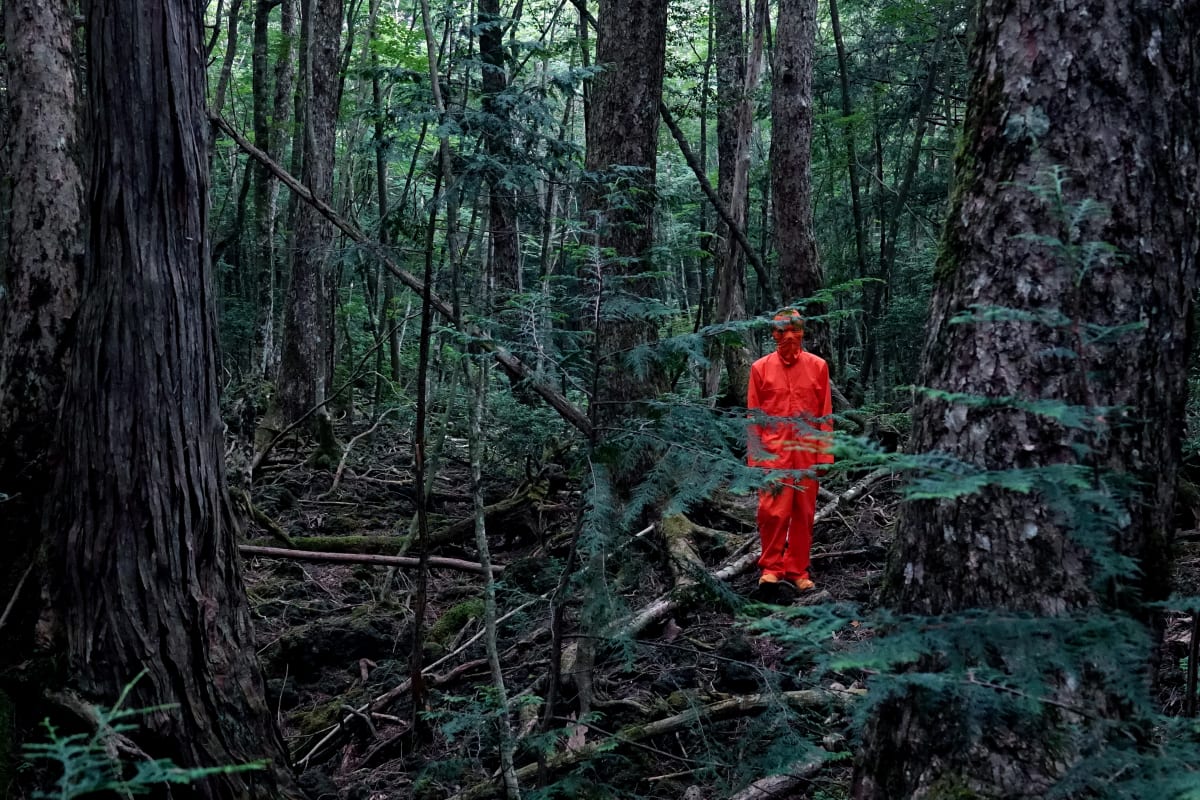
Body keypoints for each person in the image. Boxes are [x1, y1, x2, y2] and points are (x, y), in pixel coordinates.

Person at [747, 310, 833, 593]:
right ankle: (771, 567)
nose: (789, 337)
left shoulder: (818, 366)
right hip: (774, 454)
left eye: (795, 331)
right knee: (771, 512)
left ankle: (797, 569)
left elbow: (825, 412)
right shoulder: (760, 368)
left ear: (803, 332)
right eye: (782, 331)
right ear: (773, 334)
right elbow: (754, 415)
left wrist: (824, 455)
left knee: (804, 513)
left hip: (807, 452)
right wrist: (756, 457)